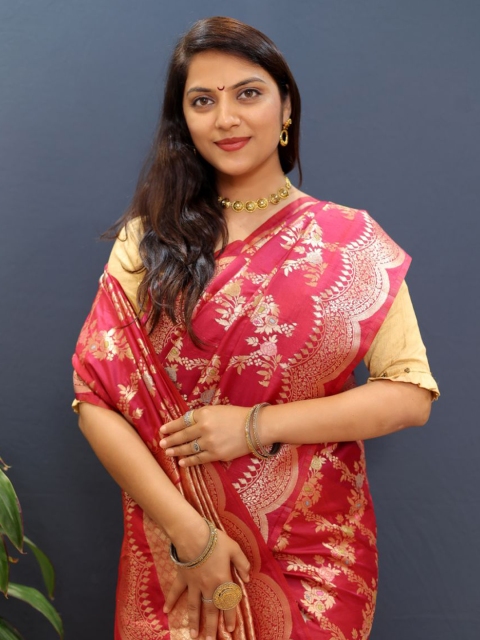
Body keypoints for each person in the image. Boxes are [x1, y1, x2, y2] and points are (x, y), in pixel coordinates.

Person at [72, 16, 439, 640]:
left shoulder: (350, 242)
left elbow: (409, 394)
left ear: (286, 106)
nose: (226, 119)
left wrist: (253, 427)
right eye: (202, 101)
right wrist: (190, 536)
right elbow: (94, 400)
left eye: (248, 93)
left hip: (313, 555)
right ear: (183, 120)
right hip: (176, 548)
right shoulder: (148, 241)